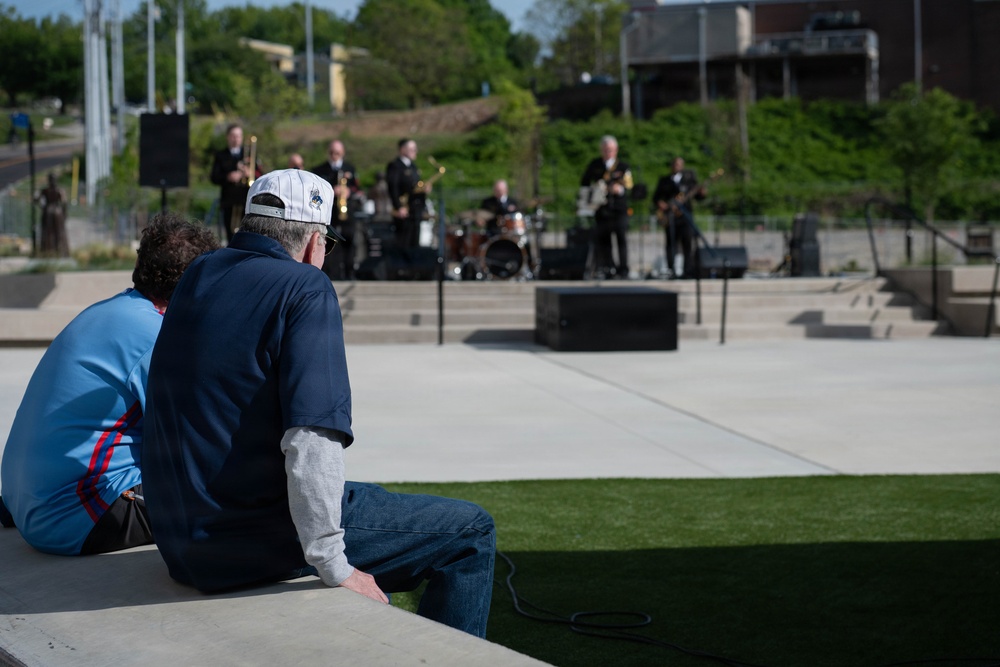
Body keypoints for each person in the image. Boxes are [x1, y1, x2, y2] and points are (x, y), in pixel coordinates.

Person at [141, 169, 496, 638]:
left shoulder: (199, 273)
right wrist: (335, 564)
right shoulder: (305, 287)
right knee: (470, 531)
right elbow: (311, 440)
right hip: (245, 538)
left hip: (179, 534)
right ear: (314, 243)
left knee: (374, 498)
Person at [0, 215, 219, 555]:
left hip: (23, 499)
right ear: (198, 282)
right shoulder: (157, 336)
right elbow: (201, 436)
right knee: (230, 491)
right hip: (74, 516)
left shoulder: (106, 311)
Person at [580, 136, 633, 279]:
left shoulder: (623, 166)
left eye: (610, 150)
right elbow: (584, 182)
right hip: (602, 209)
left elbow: (629, 186)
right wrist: (597, 189)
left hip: (619, 209)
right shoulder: (595, 165)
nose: (608, 152)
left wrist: (619, 189)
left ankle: (623, 270)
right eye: (605, 150)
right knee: (604, 241)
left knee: (621, 239)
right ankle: (609, 268)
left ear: (615, 150)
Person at [311, 140, 362, 280]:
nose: (335, 155)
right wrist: (332, 191)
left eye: (338, 153)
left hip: (347, 212)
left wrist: (348, 192)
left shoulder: (349, 168)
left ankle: (349, 272)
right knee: (330, 244)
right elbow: (315, 192)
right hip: (330, 213)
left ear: (343, 153)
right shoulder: (320, 170)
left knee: (350, 242)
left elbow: (358, 188)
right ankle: (332, 274)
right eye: (332, 153)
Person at [653, 156, 705, 279]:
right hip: (670, 216)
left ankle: (688, 271)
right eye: (675, 164)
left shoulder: (689, 180)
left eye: (680, 164)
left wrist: (702, 193)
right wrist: (662, 204)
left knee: (687, 243)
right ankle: (672, 270)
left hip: (685, 216)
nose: (677, 166)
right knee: (671, 244)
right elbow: (656, 198)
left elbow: (698, 197)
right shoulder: (664, 180)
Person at [210, 124, 260, 242]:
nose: (236, 139)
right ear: (228, 137)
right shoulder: (221, 155)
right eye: (233, 136)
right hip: (229, 199)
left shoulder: (249, 154)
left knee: (248, 231)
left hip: (245, 198)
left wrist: (249, 173)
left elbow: (259, 175)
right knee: (230, 233)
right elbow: (214, 177)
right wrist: (228, 177)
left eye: (238, 136)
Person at [385, 138, 427, 249]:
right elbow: (393, 187)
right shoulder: (395, 166)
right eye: (412, 149)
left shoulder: (413, 167)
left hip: (415, 209)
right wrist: (398, 207)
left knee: (415, 241)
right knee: (403, 241)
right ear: (403, 150)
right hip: (404, 210)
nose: (415, 151)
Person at [36, 172, 69, 257]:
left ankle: (50, 251)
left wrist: (43, 207)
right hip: (56, 211)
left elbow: (37, 200)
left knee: (52, 232)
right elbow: (64, 203)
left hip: (49, 211)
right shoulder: (54, 190)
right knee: (55, 232)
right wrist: (64, 213)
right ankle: (57, 251)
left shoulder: (48, 190)